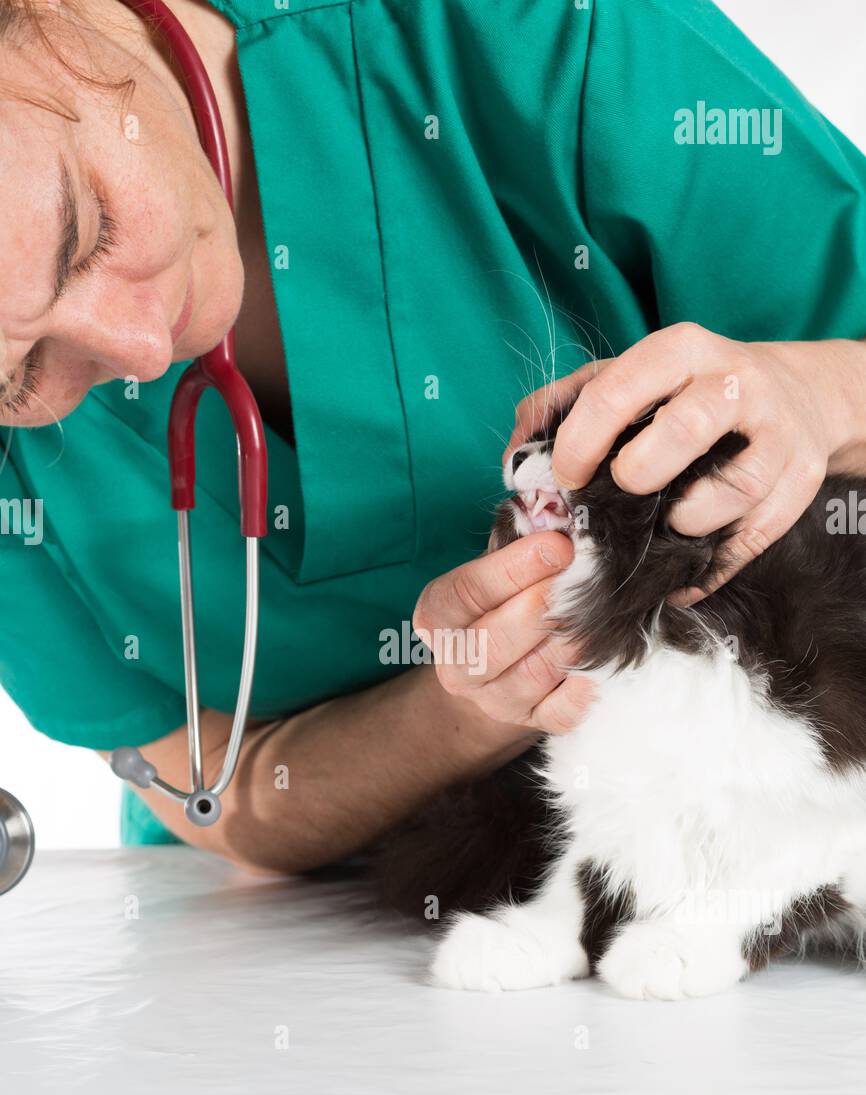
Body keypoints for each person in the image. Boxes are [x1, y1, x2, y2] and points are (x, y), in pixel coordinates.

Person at [2, 0, 866, 873]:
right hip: (309, 947)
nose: (142, 348)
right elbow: (221, 794)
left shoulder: (533, 36)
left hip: (785, 864)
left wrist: (826, 391)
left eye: (86, 230)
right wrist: (477, 703)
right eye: (23, 375)